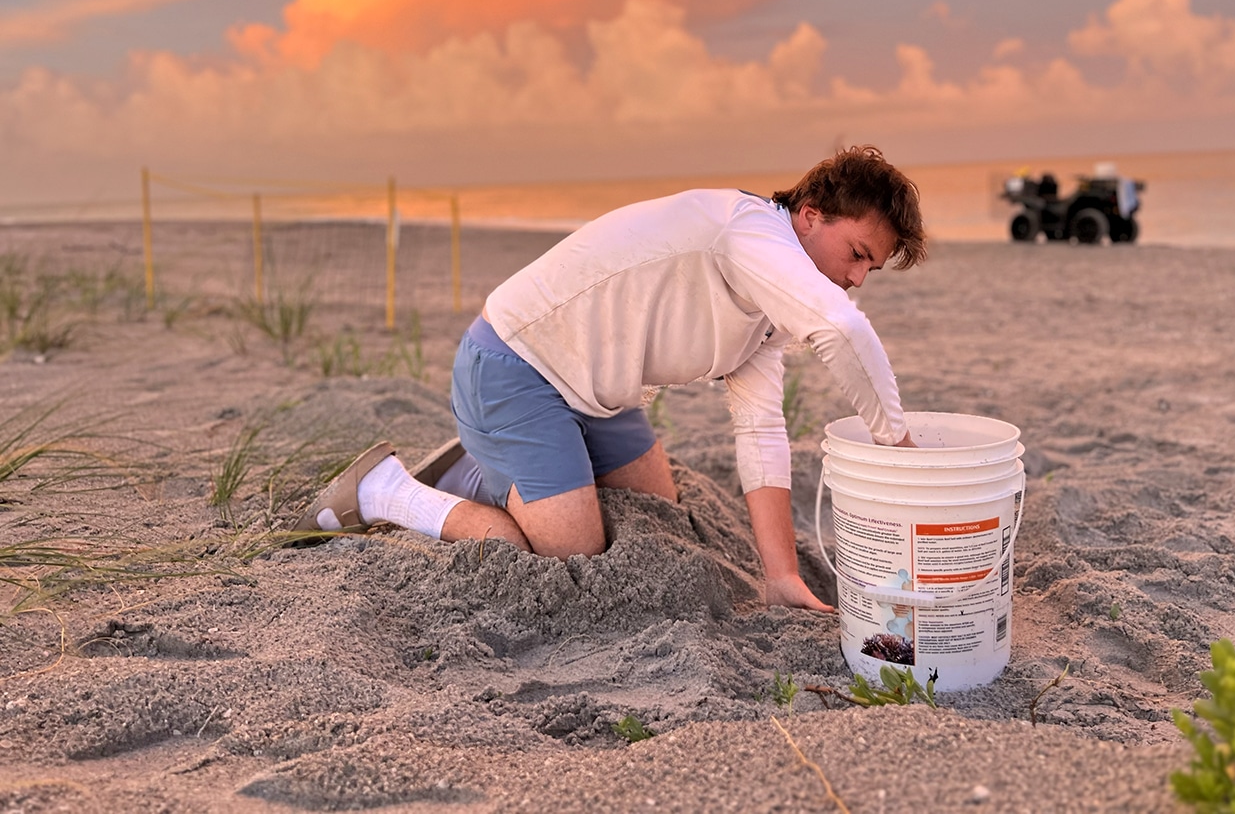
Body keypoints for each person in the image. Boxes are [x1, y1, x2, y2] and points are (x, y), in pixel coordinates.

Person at [297, 145, 926, 611]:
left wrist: (782, 575)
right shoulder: (749, 234)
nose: (858, 278)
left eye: (873, 267)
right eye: (858, 254)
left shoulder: (768, 309)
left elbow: (761, 430)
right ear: (810, 216)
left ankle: (485, 466)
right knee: (569, 554)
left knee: (655, 510)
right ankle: (387, 491)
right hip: (515, 368)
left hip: (598, 394)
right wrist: (896, 444)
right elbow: (843, 330)